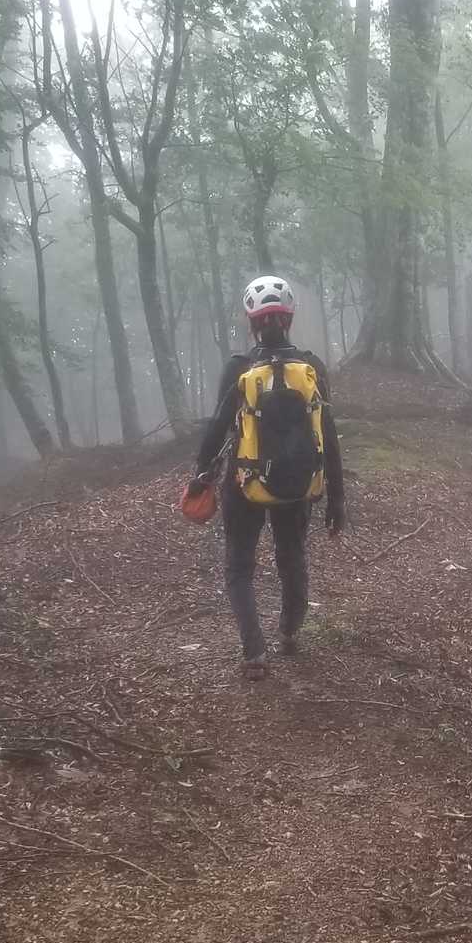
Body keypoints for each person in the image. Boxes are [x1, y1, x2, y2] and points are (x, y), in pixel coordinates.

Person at [188, 275, 345, 678]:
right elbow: (327, 433)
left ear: (250, 321)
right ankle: (289, 633)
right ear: (289, 318)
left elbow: (218, 427)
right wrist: (337, 497)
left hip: (244, 484)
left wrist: (200, 475)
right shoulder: (311, 367)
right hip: (298, 482)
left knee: (239, 566)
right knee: (291, 557)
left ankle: (254, 652)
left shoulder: (239, 368)